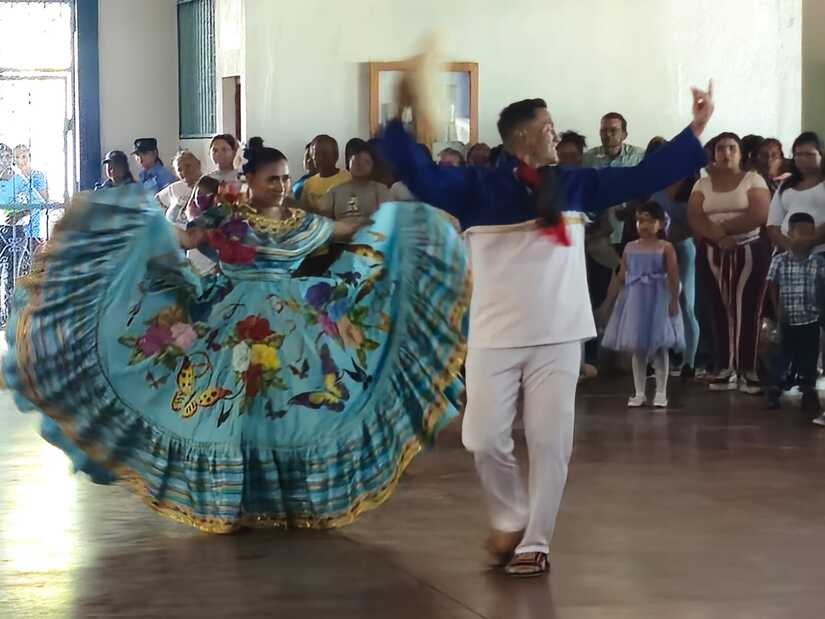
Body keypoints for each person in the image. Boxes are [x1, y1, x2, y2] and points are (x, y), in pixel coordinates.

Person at [2, 136, 469, 534]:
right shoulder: (227, 218)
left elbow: (346, 230)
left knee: (288, 412)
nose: (282, 186)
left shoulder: (301, 222)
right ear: (249, 182)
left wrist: (406, 224)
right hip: (227, 320)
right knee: (229, 413)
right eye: (273, 179)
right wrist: (140, 224)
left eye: (285, 179)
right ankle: (231, 501)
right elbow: (184, 240)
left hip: (295, 326)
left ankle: (285, 500)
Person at [382, 75, 713, 576]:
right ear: (521, 138)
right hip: (494, 334)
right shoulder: (477, 188)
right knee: (482, 438)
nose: (556, 135)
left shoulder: (576, 184)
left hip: (559, 333)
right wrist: (398, 121)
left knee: (549, 439)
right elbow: (422, 176)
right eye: (548, 127)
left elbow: (643, 175)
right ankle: (509, 516)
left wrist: (697, 127)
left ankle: (536, 540)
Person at [688, 132, 771, 394]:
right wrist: (719, 236)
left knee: (747, 308)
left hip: (749, 250)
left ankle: (748, 370)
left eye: (732, 148)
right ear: (713, 153)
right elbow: (695, 216)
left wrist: (727, 233)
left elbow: (759, 213)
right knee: (718, 307)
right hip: (713, 250)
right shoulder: (702, 183)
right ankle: (725, 368)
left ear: (740, 153)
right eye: (721, 148)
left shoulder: (753, 179)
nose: (726, 153)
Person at [598, 202, 683, 407]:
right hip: (635, 300)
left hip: (657, 299)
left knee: (659, 346)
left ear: (661, 223)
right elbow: (621, 276)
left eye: (650, 221)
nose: (644, 225)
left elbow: (673, 275)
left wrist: (673, 300)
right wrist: (609, 302)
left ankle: (661, 391)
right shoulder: (630, 247)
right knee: (638, 348)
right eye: (640, 220)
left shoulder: (666, 247)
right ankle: (639, 392)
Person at [764, 213, 825, 421]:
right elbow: (771, 283)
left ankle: (808, 389)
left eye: (810, 234)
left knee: (809, 356)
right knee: (782, 355)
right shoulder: (780, 260)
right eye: (800, 233)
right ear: (789, 233)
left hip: (810, 318)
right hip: (787, 318)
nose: (805, 238)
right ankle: (774, 389)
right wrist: (777, 307)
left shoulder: (818, 262)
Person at [583, 112, 646, 248]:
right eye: (603, 131)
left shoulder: (638, 156)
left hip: (631, 229)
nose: (608, 135)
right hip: (598, 232)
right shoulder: (588, 159)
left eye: (613, 130)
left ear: (624, 134)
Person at [0, 142, 45, 326]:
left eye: (6, 157)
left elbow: (38, 202)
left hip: (14, 233)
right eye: (1, 157)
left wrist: (20, 213)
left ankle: (12, 316)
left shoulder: (18, 181)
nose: (3, 161)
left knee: (12, 274)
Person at [767, 132, 825, 256]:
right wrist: (790, 246)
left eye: (809, 154)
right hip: (787, 253)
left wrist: (809, 242)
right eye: (798, 155)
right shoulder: (785, 185)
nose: (802, 159)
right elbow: (773, 225)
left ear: (821, 155)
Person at [319, 141, 392, 220]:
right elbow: (324, 222)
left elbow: (387, 219)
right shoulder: (334, 191)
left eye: (366, 162)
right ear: (348, 163)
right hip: (341, 230)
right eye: (356, 161)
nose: (360, 165)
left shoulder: (380, 189)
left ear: (373, 166)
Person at [300, 135, 351, 212]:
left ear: (335, 155)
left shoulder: (349, 179)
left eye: (324, 154)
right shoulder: (308, 184)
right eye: (316, 154)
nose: (320, 158)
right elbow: (305, 212)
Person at [12, 144, 47, 240]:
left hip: (35, 227)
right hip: (16, 228)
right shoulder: (12, 179)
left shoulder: (37, 176)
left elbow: (43, 202)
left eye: (24, 156)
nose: (20, 161)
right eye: (17, 157)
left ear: (29, 157)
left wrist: (23, 213)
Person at [156, 150, 203, 214]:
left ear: (198, 164)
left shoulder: (211, 185)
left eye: (188, 166)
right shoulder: (174, 188)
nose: (184, 171)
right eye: (179, 170)